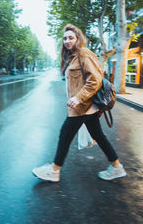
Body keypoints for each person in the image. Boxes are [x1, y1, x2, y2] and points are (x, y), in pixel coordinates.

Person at [32, 24, 127, 182]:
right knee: (99, 136)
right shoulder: (73, 57)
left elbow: (95, 79)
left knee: (65, 135)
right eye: (65, 38)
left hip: (83, 106)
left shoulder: (84, 53)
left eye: (71, 37)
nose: (67, 41)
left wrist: (78, 97)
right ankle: (117, 167)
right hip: (86, 107)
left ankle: (55, 170)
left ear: (78, 39)